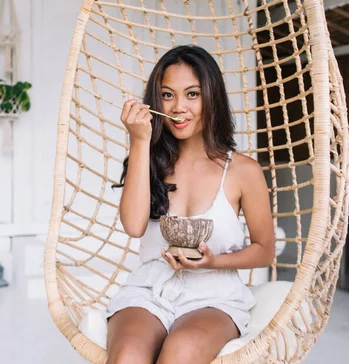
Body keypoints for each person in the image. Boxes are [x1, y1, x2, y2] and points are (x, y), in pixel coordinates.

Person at [106, 45, 275, 364]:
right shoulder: (149, 159)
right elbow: (134, 226)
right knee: (127, 356)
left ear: (212, 97)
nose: (178, 107)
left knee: (180, 352)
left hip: (214, 297)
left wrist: (212, 263)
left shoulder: (243, 171)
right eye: (167, 95)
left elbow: (265, 249)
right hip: (148, 291)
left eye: (192, 94)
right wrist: (140, 141)